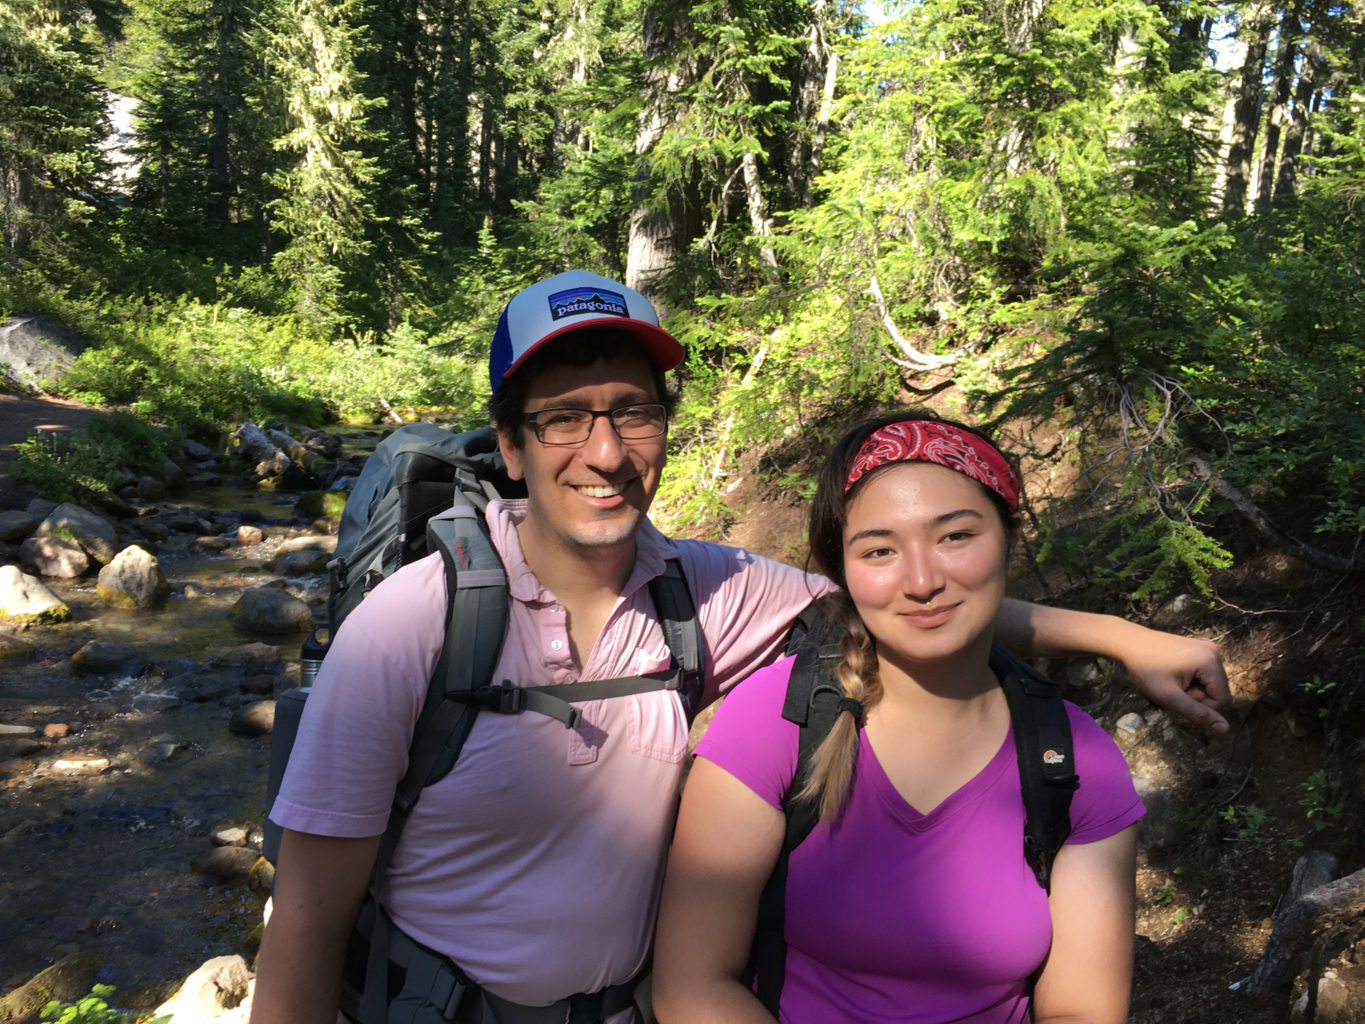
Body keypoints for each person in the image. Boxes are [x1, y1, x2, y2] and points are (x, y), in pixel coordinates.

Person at [251, 271, 1227, 1024]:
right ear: (509, 446)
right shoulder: (412, 627)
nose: (603, 451)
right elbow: (305, 919)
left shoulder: (707, 590)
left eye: (633, 409)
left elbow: (905, 596)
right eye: (562, 417)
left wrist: (1119, 638)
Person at [652, 413, 1143, 1024]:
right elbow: (691, 988)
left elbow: (1082, 1010)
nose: (921, 580)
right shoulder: (779, 718)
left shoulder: (1075, 762)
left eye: (955, 536)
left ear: (1008, 539)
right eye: (879, 550)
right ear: (844, 574)